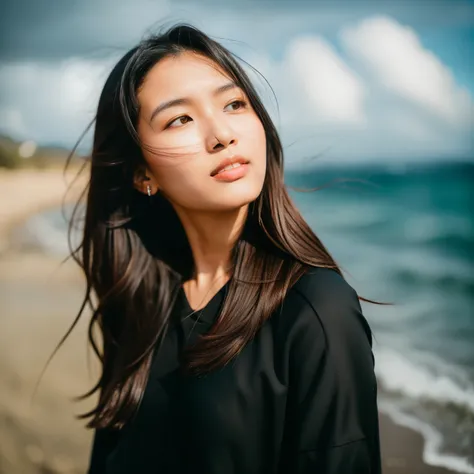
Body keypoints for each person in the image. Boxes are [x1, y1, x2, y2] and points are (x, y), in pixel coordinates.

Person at [66, 22, 382, 473]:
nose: (222, 134)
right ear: (142, 174)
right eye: (180, 119)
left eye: (234, 104)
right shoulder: (143, 304)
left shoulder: (315, 311)